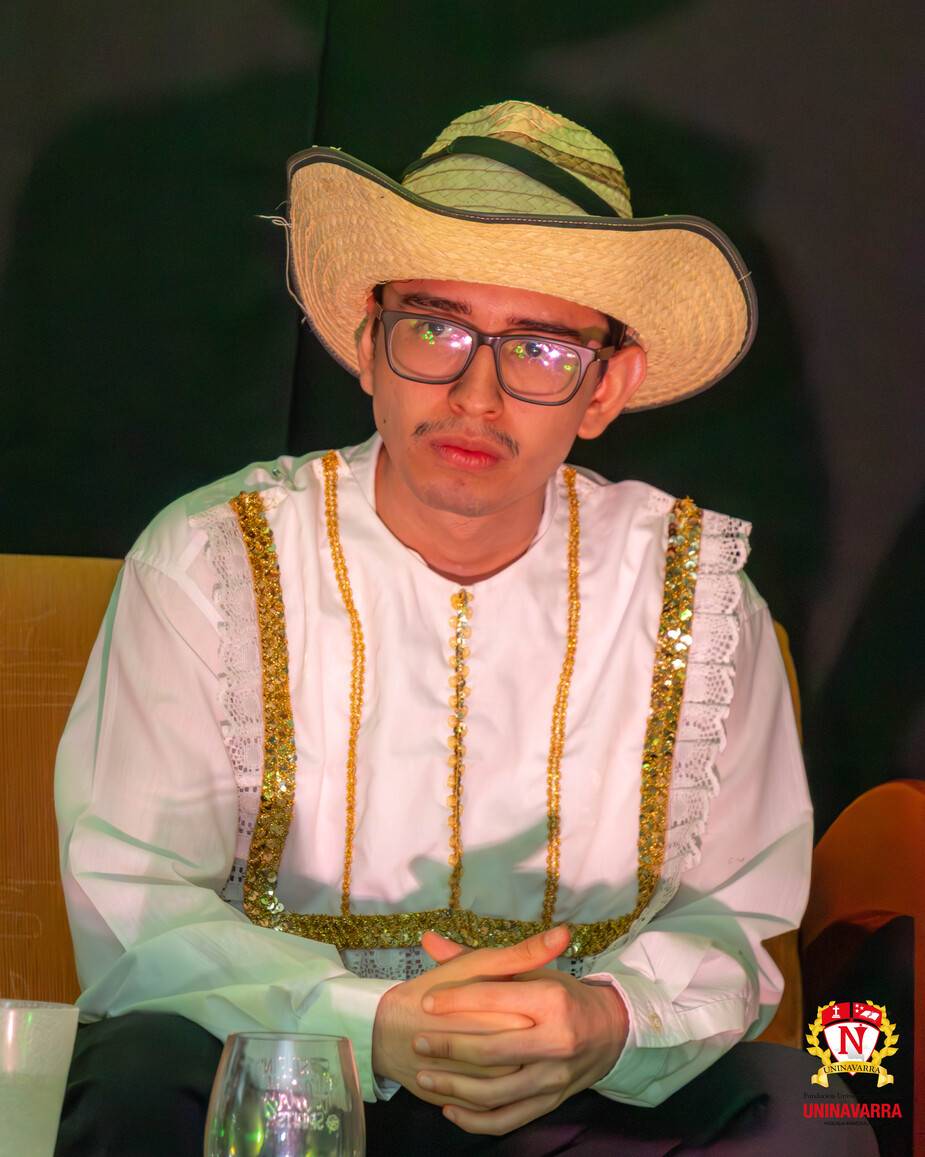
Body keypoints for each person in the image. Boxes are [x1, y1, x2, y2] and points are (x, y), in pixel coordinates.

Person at [54, 100, 877, 1155]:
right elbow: (135, 899)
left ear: (605, 386)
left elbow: (736, 913)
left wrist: (605, 1021)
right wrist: (374, 1026)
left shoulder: (697, 592)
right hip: (295, 1077)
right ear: (368, 344)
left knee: (808, 1107)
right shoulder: (211, 558)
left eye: (539, 347)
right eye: (435, 330)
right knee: (138, 1072)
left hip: (571, 1092)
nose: (475, 395)